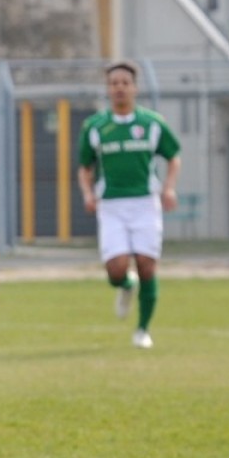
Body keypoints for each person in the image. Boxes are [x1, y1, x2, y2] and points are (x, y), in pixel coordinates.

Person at [76, 59, 181, 350]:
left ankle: (143, 330)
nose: (119, 88)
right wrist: (87, 193)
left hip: (145, 203)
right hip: (111, 205)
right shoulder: (96, 127)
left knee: (147, 265)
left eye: (124, 83)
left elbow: (173, 156)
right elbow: (84, 167)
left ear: (134, 87)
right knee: (116, 269)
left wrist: (169, 188)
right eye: (114, 83)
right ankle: (125, 285)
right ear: (108, 90)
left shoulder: (152, 123)